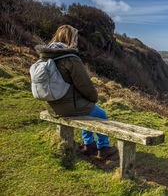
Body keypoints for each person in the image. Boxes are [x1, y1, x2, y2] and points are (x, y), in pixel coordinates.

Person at [35, 25, 117, 159]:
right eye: (76, 38)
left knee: (87, 108)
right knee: (100, 113)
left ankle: (89, 145)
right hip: (67, 107)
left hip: (52, 105)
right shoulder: (70, 58)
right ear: (71, 39)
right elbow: (85, 85)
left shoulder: (46, 57)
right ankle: (103, 147)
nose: (77, 41)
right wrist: (93, 98)